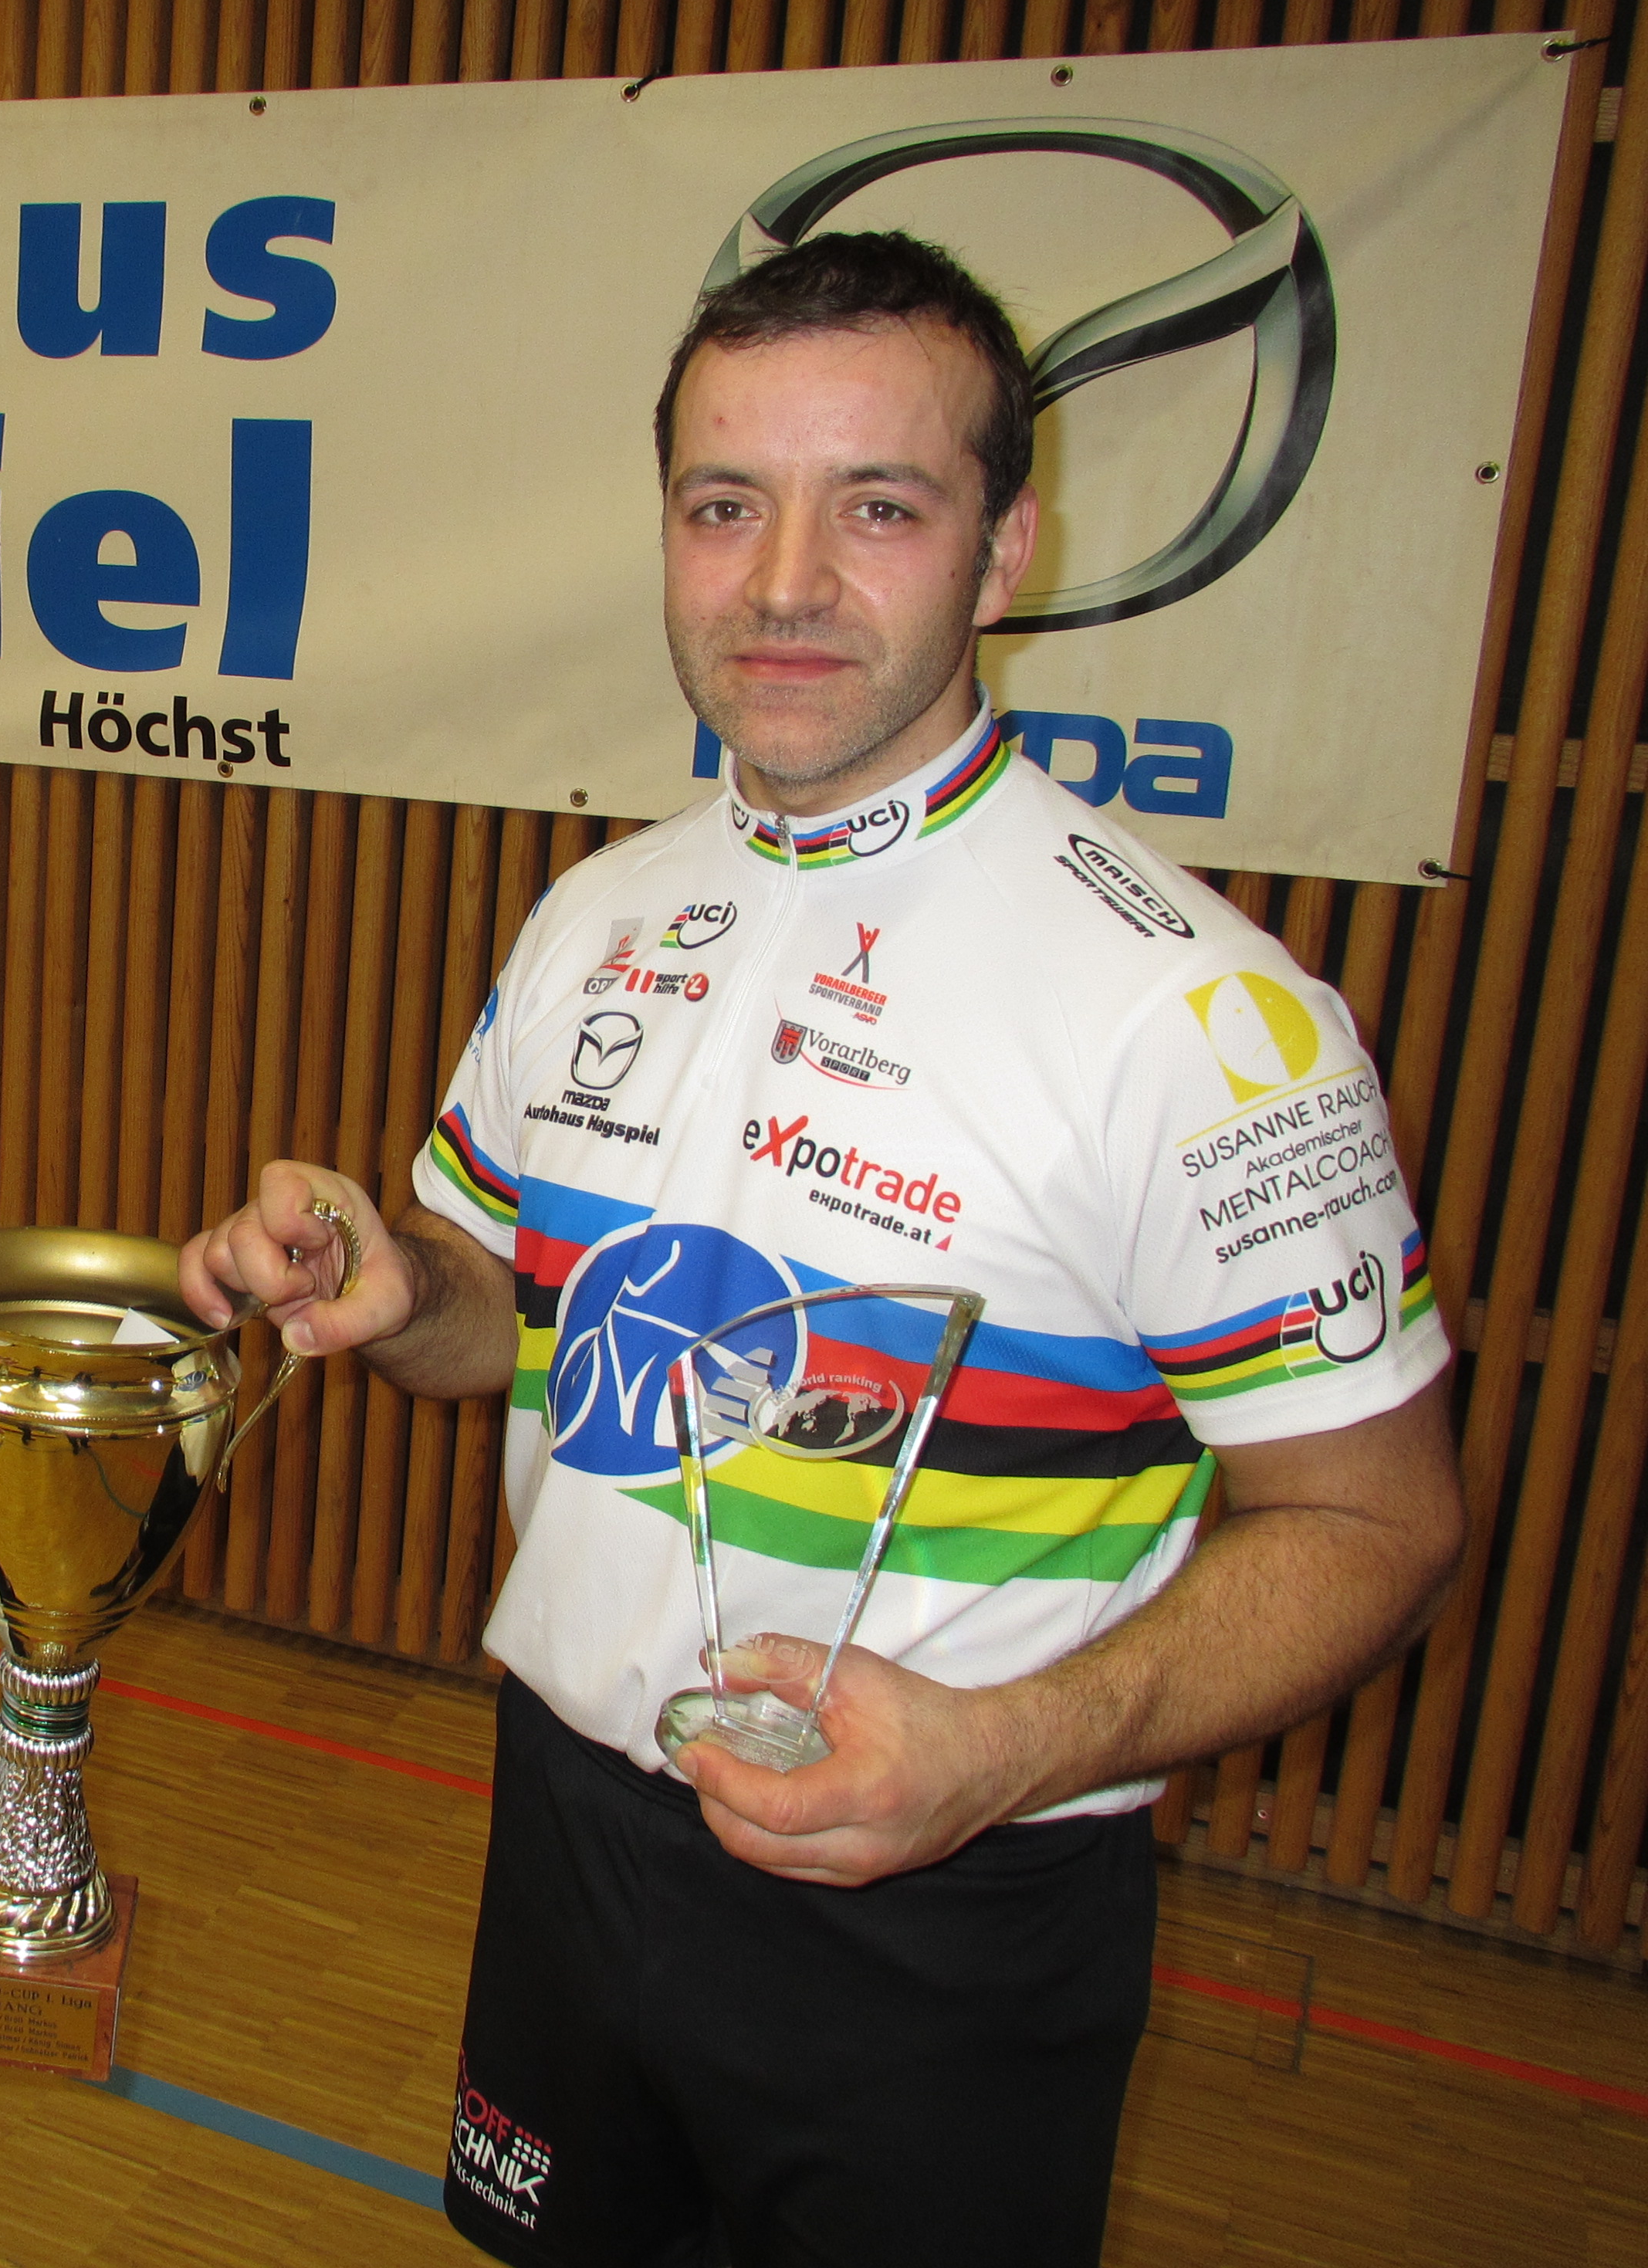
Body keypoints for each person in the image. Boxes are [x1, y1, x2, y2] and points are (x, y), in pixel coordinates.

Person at [181, 230, 1461, 2268]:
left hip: (953, 1902)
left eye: (877, 506)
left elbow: (1379, 1526)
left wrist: (1008, 1750)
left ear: (1007, 547)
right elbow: (515, 1328)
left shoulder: (1202, 1017)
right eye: (724, 505)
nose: (782, 582)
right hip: (572, 1831)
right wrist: (399, 1287)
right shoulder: (595, 918)